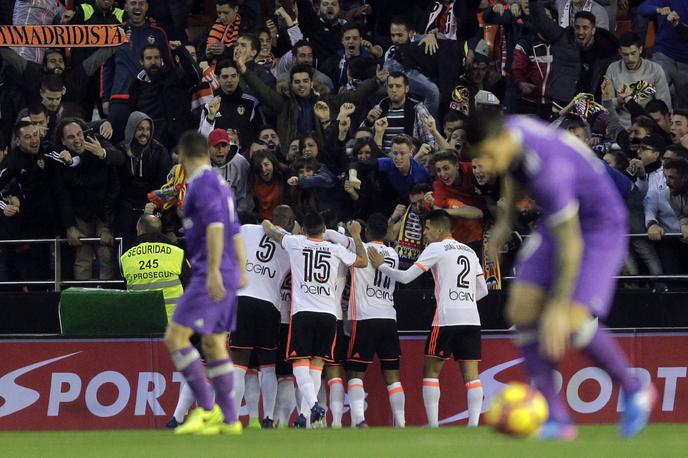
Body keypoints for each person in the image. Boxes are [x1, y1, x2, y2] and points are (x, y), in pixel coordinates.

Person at [465, 112, 656, 439]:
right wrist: (504, 221)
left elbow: (570, 244)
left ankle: (634, 387)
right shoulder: (512, 134)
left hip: (599, 227)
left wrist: (558, 306)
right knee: (521, 309)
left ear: (500, 141)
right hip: (561, 222)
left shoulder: (550, 172)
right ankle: (557, 418)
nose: (488, 165)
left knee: (568, 319)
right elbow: (513, 169)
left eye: (488, 156)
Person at [368, 209, 487, 427]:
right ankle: (473, 425)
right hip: (471, 319)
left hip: (446, 319)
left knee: (431, 370)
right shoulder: (469, 251)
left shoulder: (436, 248)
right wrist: (465, 301)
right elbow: (483, 290)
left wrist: (381, 266)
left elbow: (405, 277)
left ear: (440, 228)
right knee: (472, 374)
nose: (425, 232)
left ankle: (433, 425)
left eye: (428, 227)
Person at [163, 131, 247, 436]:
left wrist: (212, 272)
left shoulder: (201, 183)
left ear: (183, 156)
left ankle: (208, 410)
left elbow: (215, 225)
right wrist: (241, 267)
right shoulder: (221, 185)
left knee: (176, 337)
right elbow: (234, 228)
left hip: (208, 272)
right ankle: (229, 420)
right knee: (213, 343)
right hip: (225, 270)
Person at [261, 213, 367, 427]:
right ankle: (304, 416)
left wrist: (265, 222)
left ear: (304, 230)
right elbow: (363, 261)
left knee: (300, 362)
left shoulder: (295, 242)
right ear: (324, 228)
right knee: (317, 365)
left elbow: (271, 232)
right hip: (329, 314)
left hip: (303, 313)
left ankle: (313, 404)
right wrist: (356, 236)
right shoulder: (336, 249)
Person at [327, 213, 406, 428]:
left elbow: (333, 235)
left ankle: (359, 420)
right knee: (393, 376)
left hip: (364, 319)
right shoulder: (393, 253)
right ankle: (400, 423)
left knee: (355, 372)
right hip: (389, 319)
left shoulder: (358, 246)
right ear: (386, 232)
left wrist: (353, 234)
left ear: (367, 231)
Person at [231, 205, 295, 429]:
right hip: (270, 305)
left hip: (242, 299)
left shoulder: (246, 228)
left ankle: (235, 419)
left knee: (239, 366)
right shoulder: (291, 242)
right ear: (289, 222)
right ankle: (268, 417)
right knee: (267, 366)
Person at [604, 32, 672, 130]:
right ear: (619, 52)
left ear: (640, 50)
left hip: (648, 125)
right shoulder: (612, 69)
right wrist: (620, 100)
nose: (630, 59)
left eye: (633, 53)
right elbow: (607, 105)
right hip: (621, 126)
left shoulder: (655, 70)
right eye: (625, 54)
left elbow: (664, 106)